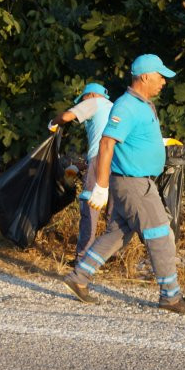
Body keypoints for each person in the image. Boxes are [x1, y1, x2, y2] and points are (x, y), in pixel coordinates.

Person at [63, 54, 185, 315]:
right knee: (160, 234)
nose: (163, 82)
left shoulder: (143, 105)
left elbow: (134, 139)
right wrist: (100, 187)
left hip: (138, 181)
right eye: (160, 77)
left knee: (118, 233)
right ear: (146, 76)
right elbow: (107, 144)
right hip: (134, 184)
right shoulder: (126, 106)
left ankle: (79, 277)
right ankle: (170, 297)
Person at [48, 82, 113, 260]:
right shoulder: (114, 108)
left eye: (82, 99)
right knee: (114, 211)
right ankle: (109, 255)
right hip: (119, 161)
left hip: (100, 159)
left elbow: (67, 116)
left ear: (90, 95)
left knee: (90, 206)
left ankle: (83, 258)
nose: (81, 103)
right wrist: (83, 164)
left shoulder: (94, 102)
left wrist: (52, 124)